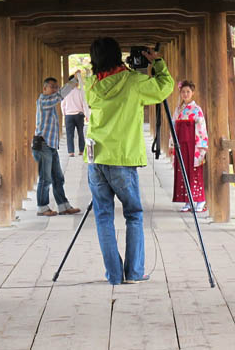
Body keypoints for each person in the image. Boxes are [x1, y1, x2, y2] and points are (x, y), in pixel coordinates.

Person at [84, 37, 174, 285]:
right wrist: (156, 63)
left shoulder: (91, 85)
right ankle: (134, 272)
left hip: (95, 158)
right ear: (118, 55)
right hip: (122, 158)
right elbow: (164, 87)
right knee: (133, 213)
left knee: (103, 217)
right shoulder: (133, 82)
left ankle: (113, 275)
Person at [32, 77, 82, 216]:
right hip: (43, 145)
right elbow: (60, 96)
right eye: (52, 87)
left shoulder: (50, 102)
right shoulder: (44, 101)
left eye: (56, 87)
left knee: (58, 177)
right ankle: (42, 207)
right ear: (44, 88)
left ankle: (63, 206)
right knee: (45, 178)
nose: (54, 89)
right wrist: (72, 83)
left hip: (51, 145)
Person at [170, 80, 208, 213]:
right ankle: (188, 200)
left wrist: (201, 146)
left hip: (193, 145)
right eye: (183, 92)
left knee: (195, 171)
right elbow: (173, 127)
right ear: (180, 93)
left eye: (188, 92)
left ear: (193, 93)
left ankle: (200, 200)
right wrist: (172, 143)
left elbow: (201, 128)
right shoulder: (178, 109)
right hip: (181, 144)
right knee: (183, 171)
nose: (185, 94)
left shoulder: (196, 109)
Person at [61, 72, 91, 157]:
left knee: (69, 134)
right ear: (76, 83)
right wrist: (86, 115)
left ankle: (71, 152)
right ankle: (81, 151)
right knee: (80, 133)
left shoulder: (65, 93)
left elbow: (62, 104)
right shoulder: (81, 92)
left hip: (69, 115)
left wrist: (64, 114)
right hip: (79, 115)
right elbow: (84, 104)